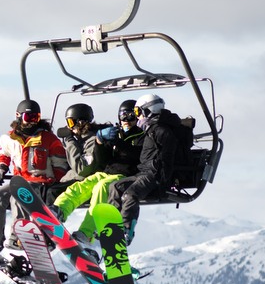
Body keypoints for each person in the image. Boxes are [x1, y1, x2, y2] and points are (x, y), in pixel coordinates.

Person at [0, 99, 69, 252]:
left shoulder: (48, 139)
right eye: (28, 118)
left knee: (19, 194)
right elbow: (4, 154)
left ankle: (20, 236)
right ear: (18, 116)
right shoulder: (10, 138)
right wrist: (1, 169)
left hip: (41, 183)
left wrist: (56, 186)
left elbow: (60, 165)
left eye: (35, 118)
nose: (32, 122)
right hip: (19, 180)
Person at [50, 99, 145, 244]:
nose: (126, 120)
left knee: (101, 188)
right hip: (107, 172)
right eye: (123, 116)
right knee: (81, 186)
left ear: (138, 117)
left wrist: (118, 143)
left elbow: (137, 157)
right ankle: (59, 210)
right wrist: (100, 142)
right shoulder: (116, 133)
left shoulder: (141, 136)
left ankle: (87, 233)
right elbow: (101, 160)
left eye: (131, 116)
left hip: (126, 175)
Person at [108, 93, 182, 245]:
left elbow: (167, 157)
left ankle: (126, 230)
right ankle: (112, 225)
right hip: (144, 172)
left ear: (148, 111)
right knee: (115, 186)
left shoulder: (162, 131)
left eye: (137, 113)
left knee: (130, 195)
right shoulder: (152, 129)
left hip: (155, 175)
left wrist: (162, 179)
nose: (137, 117)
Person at [45, 103, 110, 204]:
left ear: (80, 122)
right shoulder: (81, 140)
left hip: (86, 181)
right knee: (44, 190)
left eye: (70, 122)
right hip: (73, 180)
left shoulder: (93, 141)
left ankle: (53, 217)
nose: (69, 127)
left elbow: (82, 169)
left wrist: (69, 141)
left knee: (52, 193)